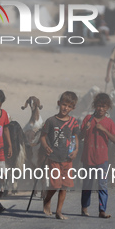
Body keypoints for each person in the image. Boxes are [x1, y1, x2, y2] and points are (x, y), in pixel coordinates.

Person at [40, 91, 80, 220]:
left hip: (67, 158)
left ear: (73, 108)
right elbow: (43, 137)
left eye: (69, 106)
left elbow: (75, 138)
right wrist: (46, 146)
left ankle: (59, 211)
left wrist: (76, 150)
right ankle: (47, 199)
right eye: (64, 105)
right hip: (54, 158)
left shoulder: (74, 122)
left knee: (65, 186)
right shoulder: (51, 121)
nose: (66, 108)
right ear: (59, 104)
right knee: (56, 184)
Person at [80, 93, 115, 219]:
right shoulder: (88, 119)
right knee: (87, 184)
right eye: (98, 106)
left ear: (107, 108)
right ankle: (84, 207)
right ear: (94, 106)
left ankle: (102, 210)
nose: (101, 108)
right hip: (88, 158)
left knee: (102, 184)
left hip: (102, 160)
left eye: (103, 106)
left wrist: (104, 130)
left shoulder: (109, 122)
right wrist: (85, 129)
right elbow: (79, 137)